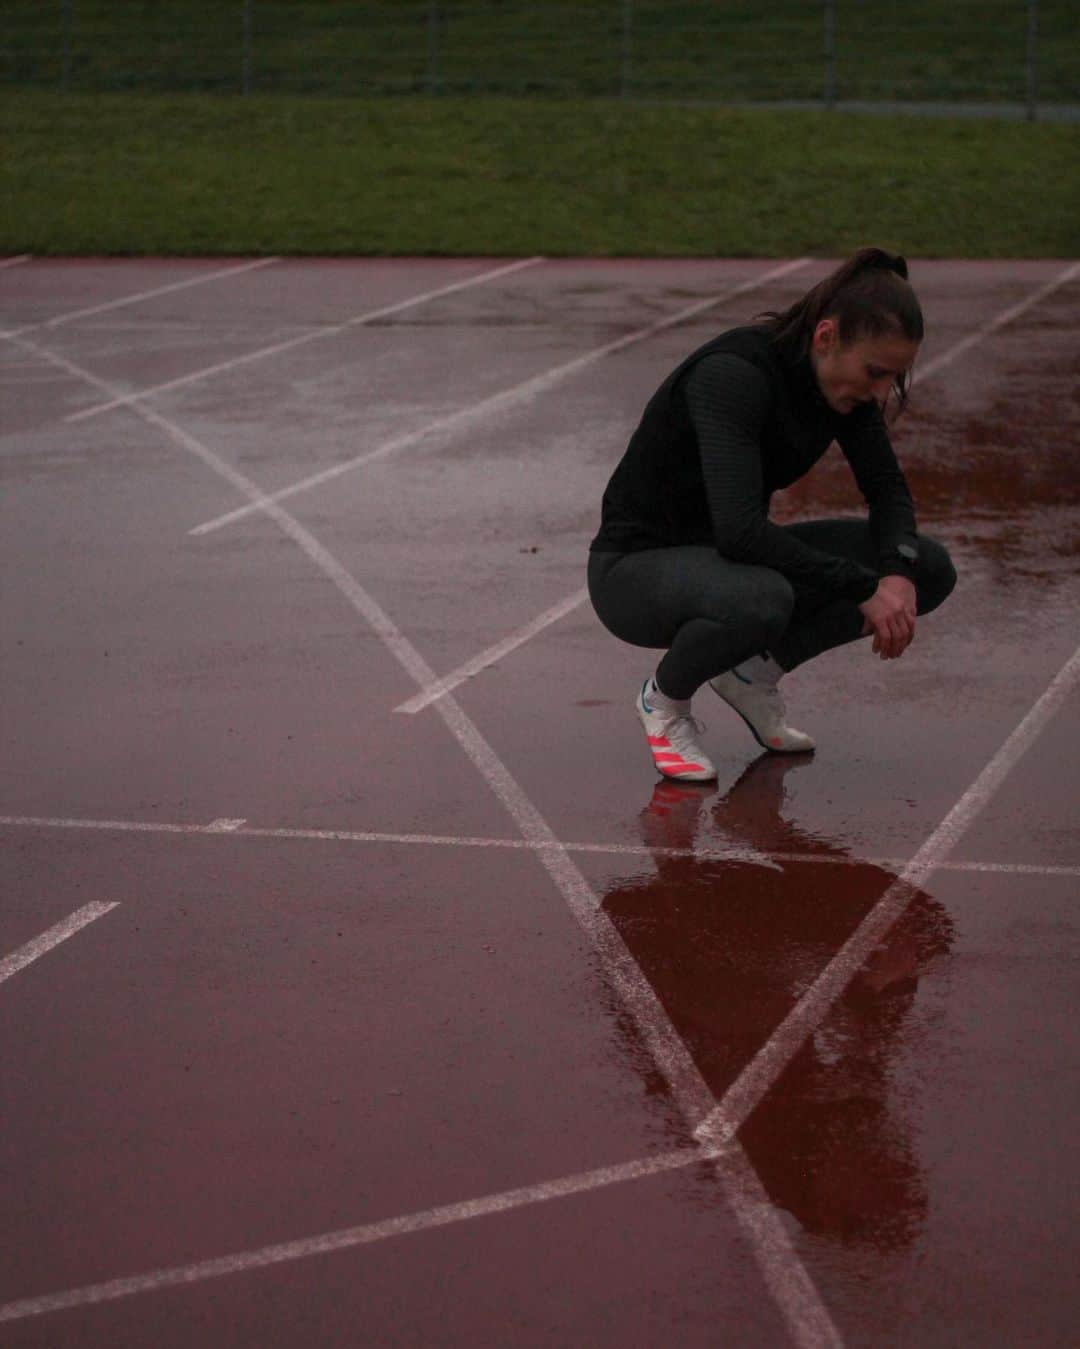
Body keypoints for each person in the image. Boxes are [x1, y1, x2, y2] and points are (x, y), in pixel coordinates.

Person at [587, 247, 957, 782]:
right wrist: (862, 587)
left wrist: (896, 575)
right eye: (876, 373)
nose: (881, 392)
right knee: (763, 597)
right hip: (634, 572)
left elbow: (888, 491)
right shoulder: (734, 375)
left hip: (725, 564)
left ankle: (753, 674)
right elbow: (740, 531)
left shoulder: (842, 390)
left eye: (892, 378)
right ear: (826, 337)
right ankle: (664, 703)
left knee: (927, 566)